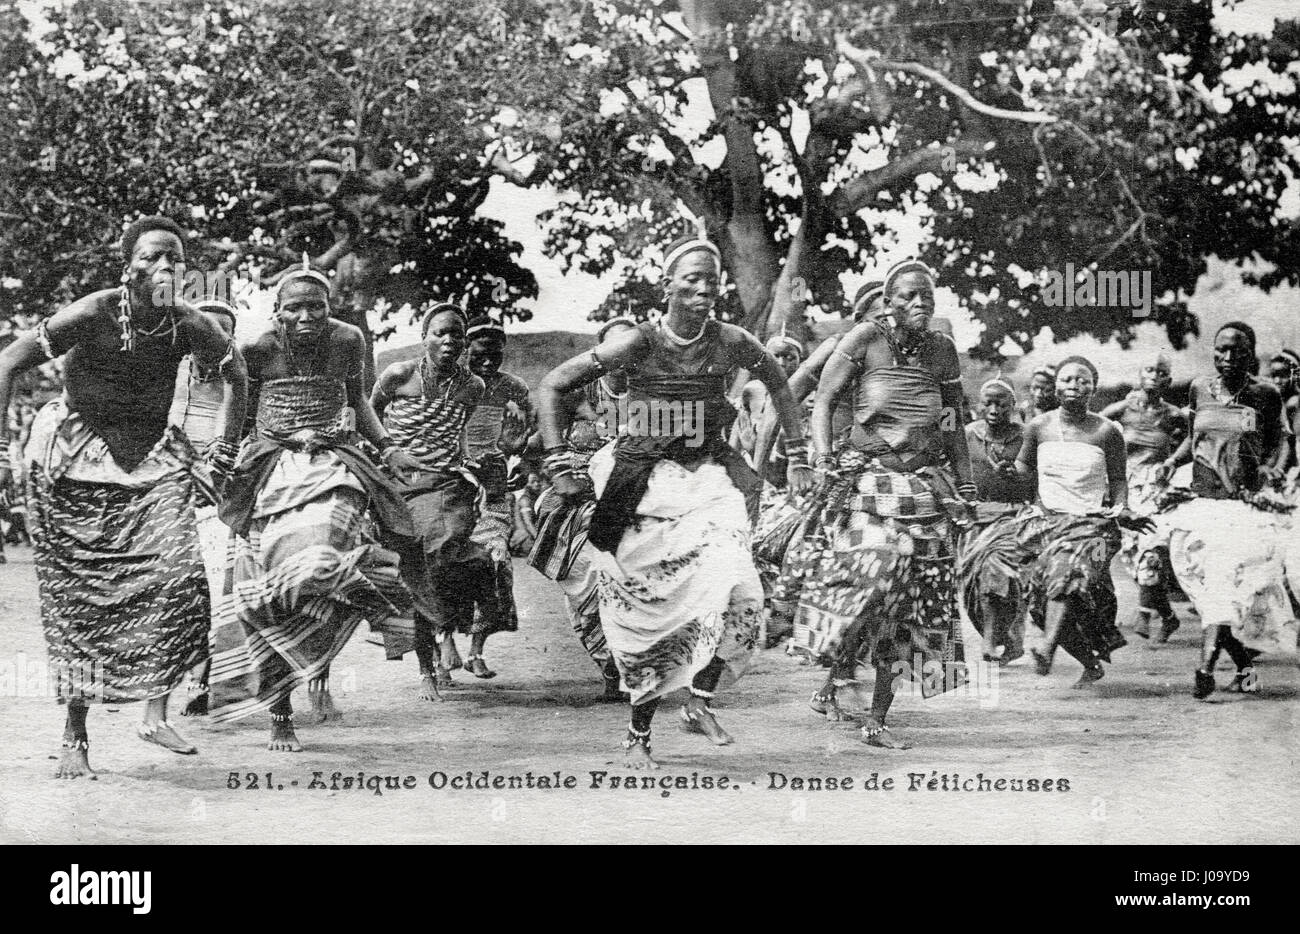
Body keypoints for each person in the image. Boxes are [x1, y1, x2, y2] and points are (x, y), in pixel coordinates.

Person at [537, 233, 813, 768]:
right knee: (649, 611)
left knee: (742, 592)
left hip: (709, 478)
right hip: (642, 482)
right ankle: (638, 732)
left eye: (712, 279)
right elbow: (554, 384)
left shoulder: (733, 341)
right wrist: (557, 462)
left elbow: (782, 385)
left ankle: (701, 699)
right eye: (691, 279)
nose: (704, 289)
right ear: (667, 286)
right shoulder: (637, 342)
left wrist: (798, 451)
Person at [0, 215, 248, 777]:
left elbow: (239, 374)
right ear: (127, 266)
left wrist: (226, 448)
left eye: (174, 259)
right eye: (150, 258)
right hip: (76, 458)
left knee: (179, 582)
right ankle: (75, 736)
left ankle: (154, 714)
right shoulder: (93, 311)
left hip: (153, 462)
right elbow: (9, 361)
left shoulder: (189, 324)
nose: (164, 268)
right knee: (82, 600)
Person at [207, 259, 426, 751]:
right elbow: (238, 408)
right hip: (271, 467)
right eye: (295, 308)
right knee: (266, 590)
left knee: (323, 561)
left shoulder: (349, 340)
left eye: (317, 307)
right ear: (277, 312)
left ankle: (374, 592)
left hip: (335, 462)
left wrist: (388, 447)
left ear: (330, 308)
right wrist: (227, 458)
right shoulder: (255, 349)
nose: (307, 316)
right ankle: (281, 711)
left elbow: (359, 400)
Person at [796, 259, 977, 746]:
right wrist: (820, 454)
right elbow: (824, 399)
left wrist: (967, 487)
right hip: (871, 482)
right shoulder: (862, 340)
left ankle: (877, 718)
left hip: (925, 491)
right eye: (908, 297)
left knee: (912, 609)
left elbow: (953, 425)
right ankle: (832, 677)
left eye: (927, 298)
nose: (919, 305)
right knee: (869, 585)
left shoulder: (942, 351)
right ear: (889, 300)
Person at [1152, 323, 1292, 698]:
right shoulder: (1199, 388)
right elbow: (1195, 440)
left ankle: (1204, 668)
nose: (1227, 358)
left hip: (1241, 507)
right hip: (1200, 505)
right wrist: (1171, 462)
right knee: (1212, 592)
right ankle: (1245, 668)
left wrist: (1273, 469)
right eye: (1221, 351)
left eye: (1237, 352)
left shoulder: (1266, 394)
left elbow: (1281, 442)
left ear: (1252, 354)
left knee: (1220, 588)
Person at [751, 281, 887, 654]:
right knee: (812, 541)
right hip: (840, 464)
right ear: (859, 320)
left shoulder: (910, 356)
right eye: (880, 315)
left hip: (891, 472)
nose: (889, 322)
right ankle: (784, 611)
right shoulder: (838, 348)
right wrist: (758, 474)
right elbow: (783, 400)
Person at [372, 302, 487, 699]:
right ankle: (426, 664)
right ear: (425, 337)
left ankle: (447, 635)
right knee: (416, 567)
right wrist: (385, 457)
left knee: (454, 554)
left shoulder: (473, 386)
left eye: (458, 333)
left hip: (449, 481)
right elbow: (371, 416)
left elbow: (459, 429)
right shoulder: (399, 374)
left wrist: (466, 460)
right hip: (402, 483)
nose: (450, 340)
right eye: (441, 332)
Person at [1015, 356, 1152, 686]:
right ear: (1056, 386)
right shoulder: (1038, 427)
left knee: (1067, 574)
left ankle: (1046, 649)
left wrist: (1121, 509)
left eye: (1082, 379)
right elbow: (1023, 470)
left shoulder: (1107, 431)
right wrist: (1011, 478)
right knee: (1037, 602)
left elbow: (1118, 480)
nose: (1073, 385)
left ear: (1093, 385)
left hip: (1095, 529)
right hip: (1045, 525)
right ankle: (1089, 662)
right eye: (1066, 379)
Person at [527, 316, 637, 701]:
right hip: (577, 497)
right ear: (599, 354)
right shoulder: (579, 392)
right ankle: (611, 668)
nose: (622, 356)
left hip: (632, 494)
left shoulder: (652, 394)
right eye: (613, 349)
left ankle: (637, 663)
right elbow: (534, 445)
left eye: (631, 347)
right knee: (586, 574)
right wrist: (559, 472)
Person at [169, 297, 242, 718]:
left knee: (217, 588)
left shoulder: (242, 381)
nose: (214, 338)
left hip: (222, 495)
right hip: (171, 487)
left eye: (224, 330)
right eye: (206, 328)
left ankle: (205, 680)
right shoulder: (167, 372)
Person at [458, 317, 533, 678]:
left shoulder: (514, 388)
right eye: (480, 355)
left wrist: (519, 459)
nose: (488, 363)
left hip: (494, 485)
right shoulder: (451, 384)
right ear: (465, 351)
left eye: (495, 356)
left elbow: (527, 439)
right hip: (452, 482)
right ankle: (443, 644)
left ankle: (475, 649)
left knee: (495, 563)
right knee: (448, 564)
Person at [1100, 354, 1188, 642]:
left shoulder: (1173, 414)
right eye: (1149, 369)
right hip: (1126, 488)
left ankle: (1144, 613)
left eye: (1161, 372)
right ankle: (1170, 617)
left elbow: (1195, 435)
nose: (1154, 376)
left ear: (1168, 380)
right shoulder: (1124, 409)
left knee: (1152, 551)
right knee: (1136, 559)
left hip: (1158, 488)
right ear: (1140, 375)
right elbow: (1094, 425)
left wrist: (1173, 460)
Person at [959, 378, 1034, 665]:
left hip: (1012, 516)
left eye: (1001, 404)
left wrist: (1019, 477)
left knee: (996, 573)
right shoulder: (967, 435)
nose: (993, 409)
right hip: (975, 518)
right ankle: (1010, 640)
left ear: (1012, 406)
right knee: (972, 585)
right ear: (978, 404)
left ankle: (991, 639)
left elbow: (1037, 477)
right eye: (987, 403)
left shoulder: (1027, 436)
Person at [732, 333, 803, 486]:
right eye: (775, 356)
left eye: (790, 357)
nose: (782, 363)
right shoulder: (752, 390)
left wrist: (752, 449)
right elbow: (734, 447)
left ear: (800, 361)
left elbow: (781, 478)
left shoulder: (806, 398)